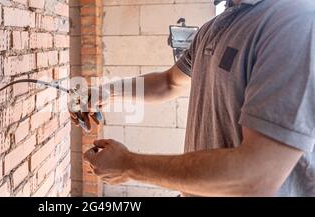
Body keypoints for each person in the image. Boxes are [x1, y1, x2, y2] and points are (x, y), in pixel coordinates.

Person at [70, 0, 315, 196]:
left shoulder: (296, 21)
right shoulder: (215, 26)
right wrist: (107, 92)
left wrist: (130, 165)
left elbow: (256, 177)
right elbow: (169, 82)